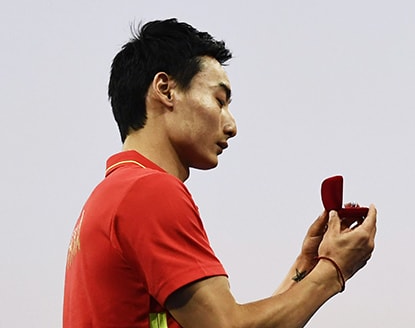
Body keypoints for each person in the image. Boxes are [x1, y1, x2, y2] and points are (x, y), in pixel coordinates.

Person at [63, 19, 377, 328]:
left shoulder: (109, 198)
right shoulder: (150, 192)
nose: (231, 125)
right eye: (219, 100)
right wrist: (334, 270)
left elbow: (221, 322)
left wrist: (305, 269)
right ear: (165, 89)